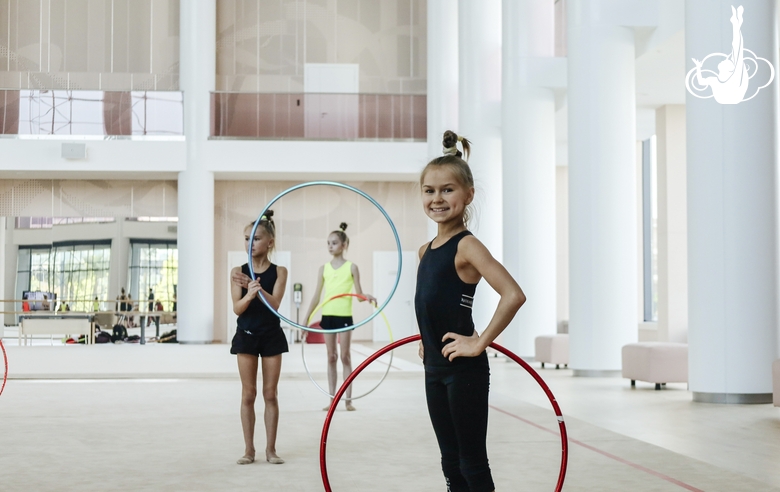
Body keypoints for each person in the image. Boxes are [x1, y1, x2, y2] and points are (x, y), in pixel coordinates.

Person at [416, 130, 526, 492]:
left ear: (468, 194)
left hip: (464, 372)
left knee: (471, 461)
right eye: (429, 191)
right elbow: (432, 302)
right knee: (449, 461)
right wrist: (425, 338)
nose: (437, 198)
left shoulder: (468, 246)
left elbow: (513, 294)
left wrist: (479, 343)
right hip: (434, 367)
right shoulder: (425, 250)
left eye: (447, 189)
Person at [229, 211, 288, 466]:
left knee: (270, 393)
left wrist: (259, 288)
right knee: (248, 394)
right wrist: (249, 294)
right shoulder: (237, 271)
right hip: (247, 336)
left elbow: (275, 305)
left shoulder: (280, 271)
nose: (250, 243)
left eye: (255, 238)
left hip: (271, 335)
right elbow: (237, 308)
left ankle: (271, 450)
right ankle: (249, 449)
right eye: (246, 239)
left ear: (269, 242)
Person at [303, 222, 376, 412]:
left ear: (343, 245)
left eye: (334, 243)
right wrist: (305, 319)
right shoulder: (323, 269)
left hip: (344, 316)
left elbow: (358, 295)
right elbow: (317, 296)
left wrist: (366, 296)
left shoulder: (352, 267)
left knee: (345, 356)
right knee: (331, 356)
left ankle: (348, 400)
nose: (330, 246)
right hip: (328, 316)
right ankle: (332, 399)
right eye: (328, 243)